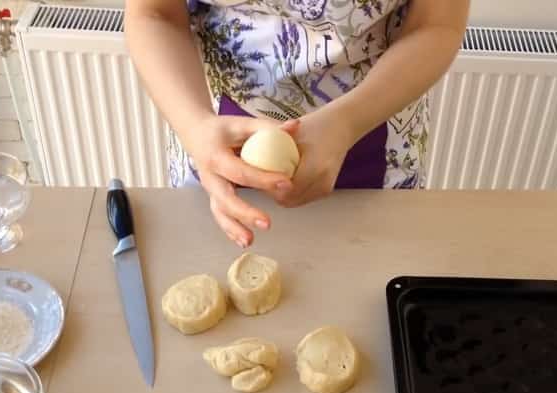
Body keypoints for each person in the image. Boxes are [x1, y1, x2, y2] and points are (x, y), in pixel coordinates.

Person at [126, 0, 469, 248]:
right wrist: (195, 127)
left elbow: (435, 24)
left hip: (374, 132)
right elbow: (154, 14)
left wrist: (347, 123)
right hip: (214, 134)